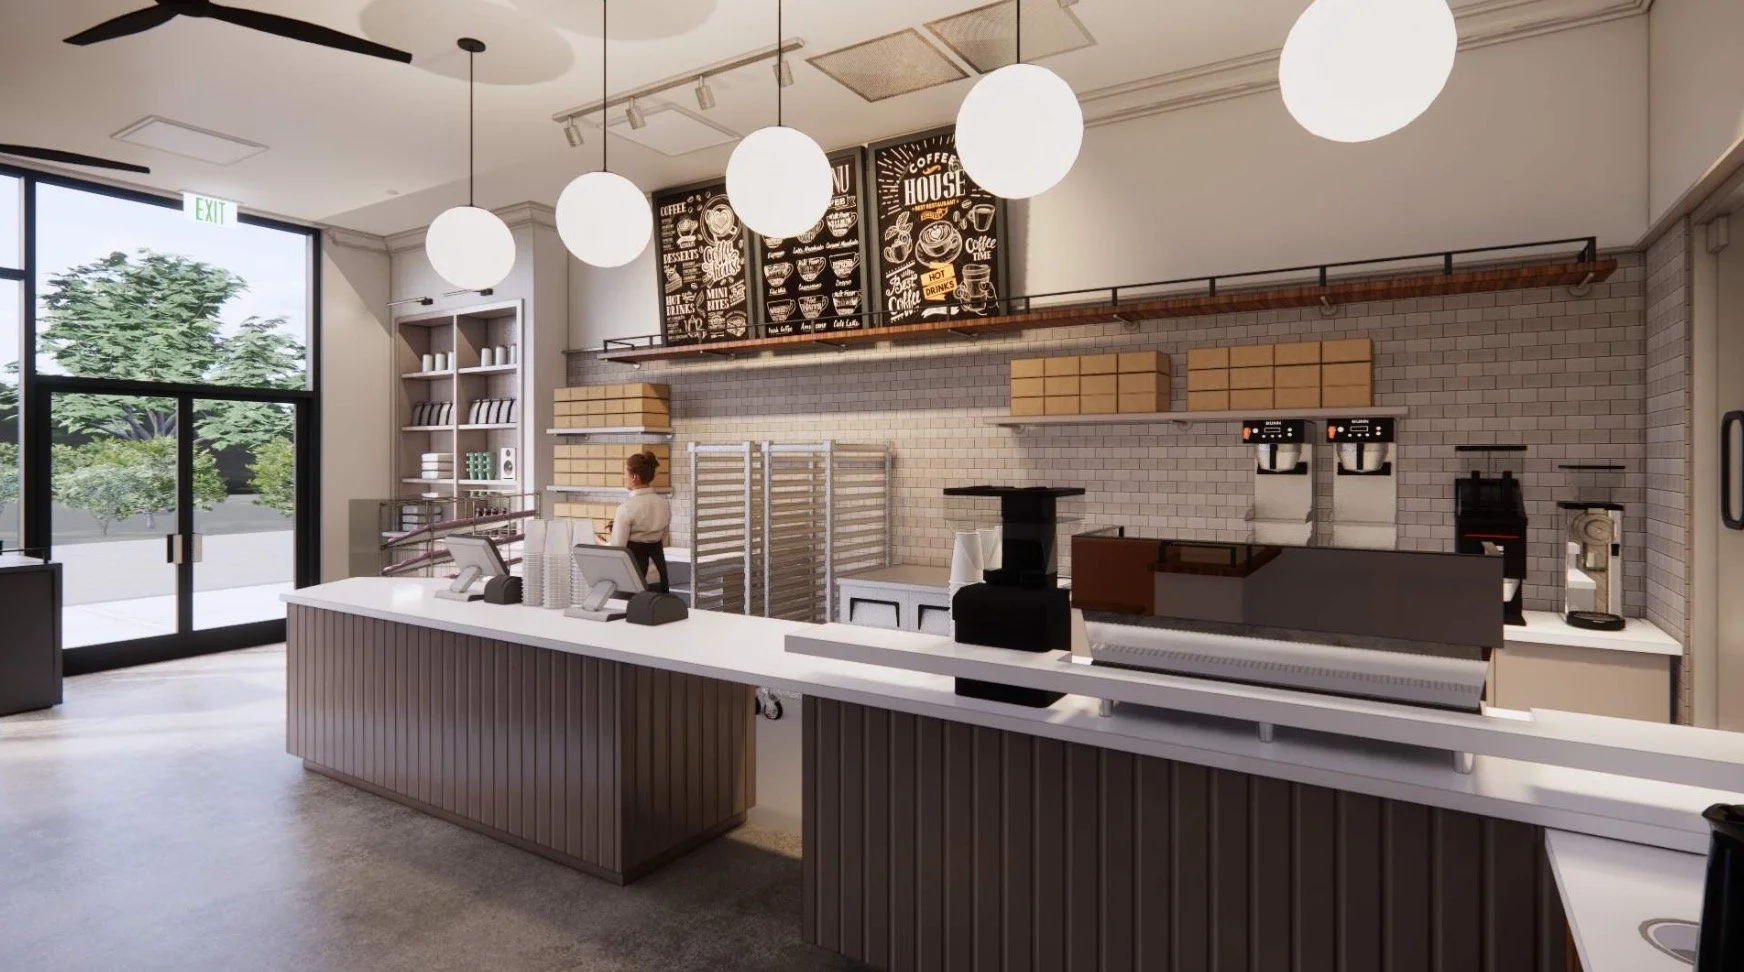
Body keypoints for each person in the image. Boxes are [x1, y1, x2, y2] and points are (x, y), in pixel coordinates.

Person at [608, 451, 672, 593]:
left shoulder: (625, 508)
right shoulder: (664, 504)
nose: (624, 477)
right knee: (657, 611)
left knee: (627, 613)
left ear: (635, 477)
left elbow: (617, 549)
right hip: (658, 571)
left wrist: (603, 541)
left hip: (633, 574)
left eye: (625, 473)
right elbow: (664, 538)